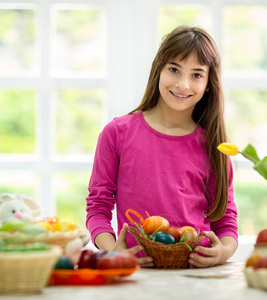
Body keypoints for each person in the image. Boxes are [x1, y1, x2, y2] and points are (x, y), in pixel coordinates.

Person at [86, 26, 238, 268]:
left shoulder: (214, 147)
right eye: (174, 70)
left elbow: (225, 219)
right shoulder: (117, 133)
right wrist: (113, 250)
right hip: (135, 273)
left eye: (196, 75)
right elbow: (98, 207)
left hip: (196, 275)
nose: (183, 84)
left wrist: (223, 252)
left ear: (209, 84)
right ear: (159, 70)